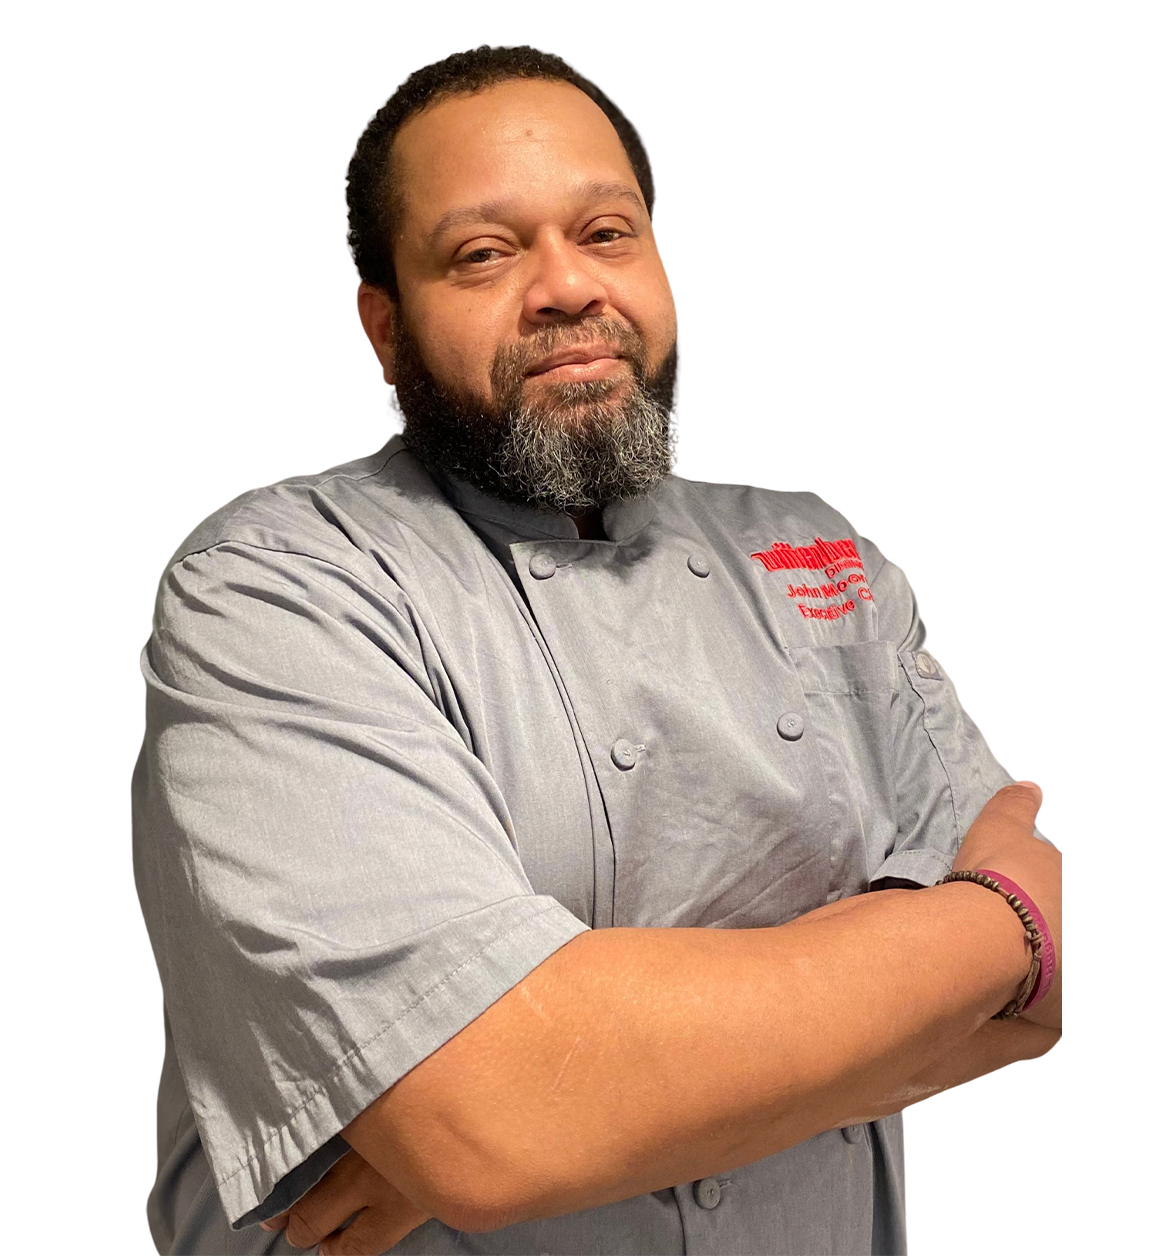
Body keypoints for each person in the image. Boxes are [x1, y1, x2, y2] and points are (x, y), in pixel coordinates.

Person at [130, 44, 1061, 1256]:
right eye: (483, 253)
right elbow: (498, 1121)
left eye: (606, 232)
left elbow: (1050, 1006)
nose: (567, 286)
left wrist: (588, 1111)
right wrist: (1007, 924)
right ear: (385, 323)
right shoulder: (278, 588)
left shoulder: (822, 553)